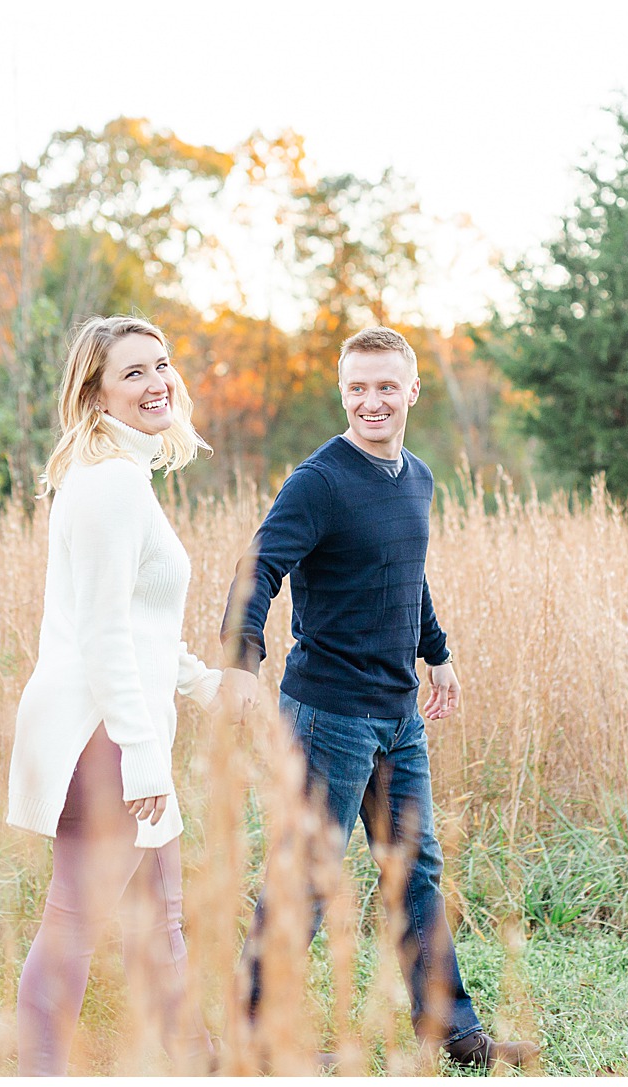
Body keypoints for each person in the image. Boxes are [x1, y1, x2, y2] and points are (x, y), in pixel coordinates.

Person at [219, 326, 539, 1072]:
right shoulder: (319, 480)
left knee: (416, 871)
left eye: (386, 386)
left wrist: (439, 653)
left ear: (412, 391)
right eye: (358, 387)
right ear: (343, 391)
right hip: (327, 713)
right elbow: (258, 566)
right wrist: (240, 659)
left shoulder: (417, 478)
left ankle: (452, 1031)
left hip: (398, 716)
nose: (372, 401)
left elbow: (406, 571)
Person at [7, 314, 219, 1076]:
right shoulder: (108, 488)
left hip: (122, 726)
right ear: (95, 394)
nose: (157, 382)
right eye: (133, 373)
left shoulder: (123, 481)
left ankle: (199, 1061)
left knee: (161, 917)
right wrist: (142, 757)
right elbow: (101, 636)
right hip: (101, 733)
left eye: (161, 365)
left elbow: (139, 622)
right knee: (73, 924)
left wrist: (203, 683)